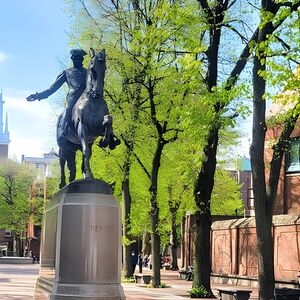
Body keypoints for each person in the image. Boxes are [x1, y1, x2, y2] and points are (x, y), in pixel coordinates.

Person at [26, 49, 87, 146]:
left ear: (82, 59)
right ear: (72, 59)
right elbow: (52, 89)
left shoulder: (88, 72)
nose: (78, 60)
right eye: (75, 58)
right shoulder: (67, 72)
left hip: (86, 98)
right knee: (68, 110)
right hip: (73, 98)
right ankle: (63, 133)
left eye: (80, 58)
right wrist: (38, 96)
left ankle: (109, 134)